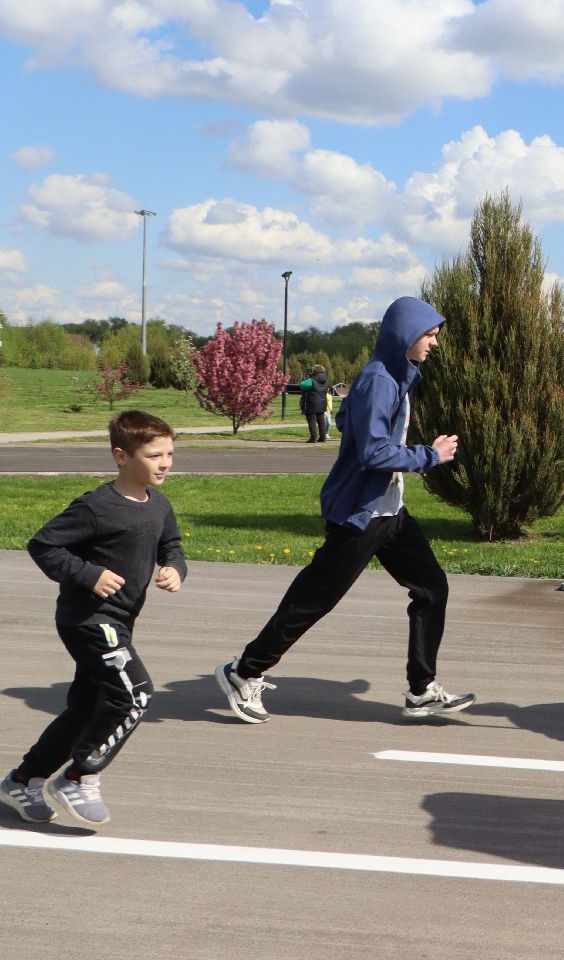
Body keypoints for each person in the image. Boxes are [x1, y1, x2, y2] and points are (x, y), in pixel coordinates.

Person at [216, 296, 474, 724]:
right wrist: (429, 455)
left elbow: (347, 424)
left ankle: (421, 690)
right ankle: (243, 672)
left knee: (431, 588)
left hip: (390, 512)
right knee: (312, 601)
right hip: (361, 514)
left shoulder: (394, 376)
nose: (435, 342)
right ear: (405, 335)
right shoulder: (379, 380)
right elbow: (374, 452)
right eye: (429, 334)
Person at [0, 411, 185, 826]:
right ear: (121, 456)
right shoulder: (96, 507)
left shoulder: (158, 505)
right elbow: (44, 545)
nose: (165, 463)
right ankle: (80, 775)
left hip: (120, 621)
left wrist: (174, 567)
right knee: (134, 696)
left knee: (87, 709)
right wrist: (90, 574)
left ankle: (22, 781)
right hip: (88, 620)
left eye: (170, 453)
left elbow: (170, 544)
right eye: (154, 455)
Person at [290, 364, 331, 442]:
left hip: (312, 403)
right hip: (322, 402)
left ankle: (313, 438)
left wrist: (309, 377)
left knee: (312, 421)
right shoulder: (326, 379)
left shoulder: (312, 379)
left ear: (315, 371)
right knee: (321, 421)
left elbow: (302, 385)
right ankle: (323, 438)